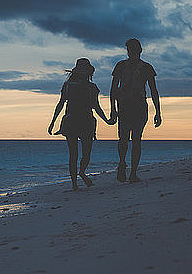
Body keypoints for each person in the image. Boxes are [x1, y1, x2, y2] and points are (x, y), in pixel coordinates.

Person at [48, 58, 111, 191]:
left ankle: (79, 178)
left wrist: (106, 120)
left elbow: (95, 106)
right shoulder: (72, 86)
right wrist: (53, 121)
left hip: (79, 122)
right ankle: (77, 180)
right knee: (79, 154)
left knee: (79, 155)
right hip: (78, 122)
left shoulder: (87, 87)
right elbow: (62, 103)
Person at [109, 38, 162, 183]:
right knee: (125, 139)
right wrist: (113, 109)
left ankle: (132, 172)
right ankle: (123, 165)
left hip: (138, 107)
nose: (130, 52)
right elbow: (113, 89)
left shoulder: (146, 67)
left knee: (134, 139)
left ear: (138, 51)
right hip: (125, 106)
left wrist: (158, 111)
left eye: (131, 50)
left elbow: (154, 91)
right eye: (129, 50)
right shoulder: (121, 66)